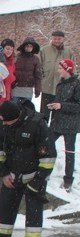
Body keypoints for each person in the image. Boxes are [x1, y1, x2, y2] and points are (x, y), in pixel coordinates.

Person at [0, 100, 56, 237]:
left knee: (34, 216)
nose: (4, 124)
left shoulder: (37, 125)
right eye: (2, 121)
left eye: (7, 122)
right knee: (3, 216)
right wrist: (3, 174)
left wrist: (38, 180)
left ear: (18, 117)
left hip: (34, 176)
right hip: (11, 176)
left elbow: (48, 158)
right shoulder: (2, 123)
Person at [48, 59, 80, 192]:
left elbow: (78, 106)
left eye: (61, 68)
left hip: (70, 124)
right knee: (47, 145)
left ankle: (68, 179)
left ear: (67, 70)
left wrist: (62, 105)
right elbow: (60, 101)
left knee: (69, 152)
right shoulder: (60, 84)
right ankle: (45, 170)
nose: (58, 70)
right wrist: (54, 105)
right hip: (57, 122)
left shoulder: (76, 84)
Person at [40, 30, 74, 123]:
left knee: (58, 115)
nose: (57, 40)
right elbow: (39, 68)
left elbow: (72, 70)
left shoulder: (68, 51)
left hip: (62, 89)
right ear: (52, 38)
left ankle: (55, 133)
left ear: (63, 39)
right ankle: (43, 133)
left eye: (59, 39)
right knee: (44, 115)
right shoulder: (44, 50)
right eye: (55, 38)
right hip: (47, 88)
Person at [12, 37, 42, 103]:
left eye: (31, 46)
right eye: (27, 46)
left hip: (28, 88)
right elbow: (12, 71)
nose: (29, 47)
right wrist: (12, 82)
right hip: (16, 87)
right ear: (24, 46)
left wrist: (38, 88)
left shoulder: (35, 59)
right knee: (14, 110)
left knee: (26, 110)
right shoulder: (17, 57)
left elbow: (38, 75)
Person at [0, 39, 16, 114]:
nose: (9, 51)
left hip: (6, 93)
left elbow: (11, 77)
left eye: (11, 49)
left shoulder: (12, 62)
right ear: (2, 48)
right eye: (7, 48)